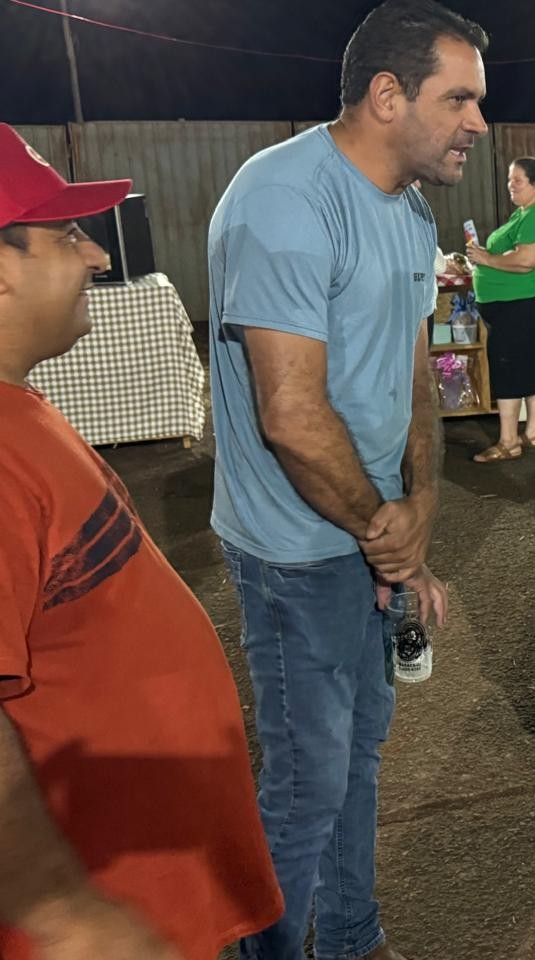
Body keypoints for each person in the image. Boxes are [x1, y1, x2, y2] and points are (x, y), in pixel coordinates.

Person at [206, 2, 484, 957]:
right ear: (387, 94)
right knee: (306, 787)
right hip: (295, 551)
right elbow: (292, 414)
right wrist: (387, 534)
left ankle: (352, 939)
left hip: (368, 532)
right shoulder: (283, 199)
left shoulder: (409, 211)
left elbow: (414, 373)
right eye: (459, 99)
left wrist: (422, 513)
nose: (478, 122)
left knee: (357, 758)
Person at [0, 125, 282, 959]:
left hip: (144, 897)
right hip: (101, 921)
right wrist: (61, 911)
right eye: (65, 236)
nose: (95, 257)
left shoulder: (18, 411)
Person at [466, 156, 535, 461]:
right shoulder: (527, 212)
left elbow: (528, 260)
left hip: (521, 306)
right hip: (523, 305)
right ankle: (533, 432)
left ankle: (509, 441)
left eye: (517, 180)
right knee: (533, 366)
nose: (511, 185)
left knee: (509, 371)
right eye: (510, 180)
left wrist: (486, 259)